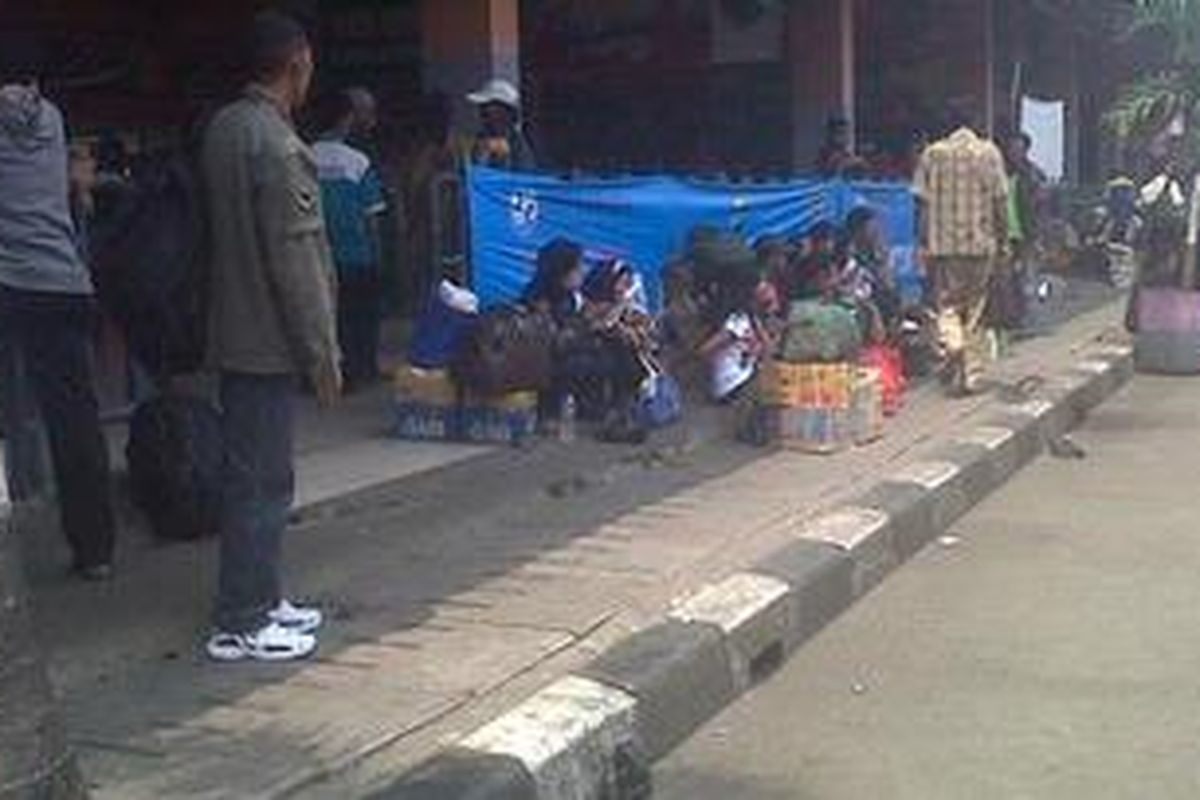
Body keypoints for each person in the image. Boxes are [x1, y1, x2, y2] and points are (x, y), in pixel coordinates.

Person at [201, 11, 340, 662]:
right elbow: (298, 263)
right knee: (264, 481)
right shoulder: (278, 145)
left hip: (231, 329)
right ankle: (244, 618)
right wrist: (323, 353)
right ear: (297, 63)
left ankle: (260, 595)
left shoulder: (223, 128)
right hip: (267, 339)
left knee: (248, 476)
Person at [0, 33, 119, 581]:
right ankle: (95, 550)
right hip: (64, 284)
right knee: (75, 422)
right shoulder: (50, 120)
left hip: (8, 283)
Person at [914, 113, 1009, 395]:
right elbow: (1001, 201)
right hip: (981, 244)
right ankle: (971, 376)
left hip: (943, 246)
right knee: (976, 309)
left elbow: (921, 203)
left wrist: (922, 241)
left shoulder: (932, 154)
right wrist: (1003, 239)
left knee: (947, 304)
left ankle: (952, 345)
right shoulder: (989, 152)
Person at [314, 89, 388, 389]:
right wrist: (379, 254)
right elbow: (372, 216)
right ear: (347, 118)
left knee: (326, 319)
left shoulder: (302, 154)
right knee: (360, 320)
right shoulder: (358, 162)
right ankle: (360, 371)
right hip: (357, 257)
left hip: (317, 255)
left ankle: (326, 374)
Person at [467, 77, 537, 170]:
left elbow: (525, 176)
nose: (483, 116)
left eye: (489, 111)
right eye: (482, 110)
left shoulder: (518, 144)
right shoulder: (481, 140)